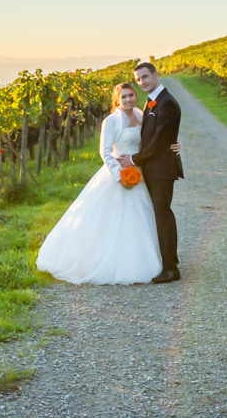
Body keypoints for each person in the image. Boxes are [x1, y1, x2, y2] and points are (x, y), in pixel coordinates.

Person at [35, 82, 180, 285]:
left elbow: (155, 138)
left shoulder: (141, 115)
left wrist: (176, 144)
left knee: (144, 215)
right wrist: (119, 175)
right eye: (124, 97)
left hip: (139, 173)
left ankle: (153, 261)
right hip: (119, 174)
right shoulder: (111, 121)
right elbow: (105, 152)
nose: (128, 99)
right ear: (117, 99)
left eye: (131, 95)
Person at [119, 62, 185, 283]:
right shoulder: (152, 101)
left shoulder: (167, 104)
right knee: (158, 214)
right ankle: (164, 261)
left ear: (156, 75)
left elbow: (158, 143)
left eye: (145, 77)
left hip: (162, 170)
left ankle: (171, 269)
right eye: (139, 79)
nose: (142, 82)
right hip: (153, 168)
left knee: (163, 215)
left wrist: (132, 159)